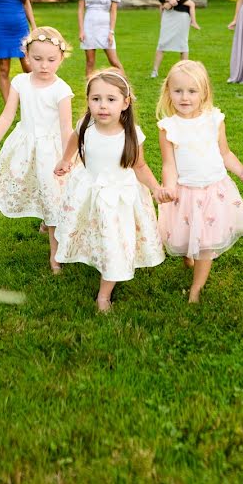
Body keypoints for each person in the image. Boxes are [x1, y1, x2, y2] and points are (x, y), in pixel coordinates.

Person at [53, 69, 166, 312]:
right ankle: (92, 254)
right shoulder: (86, 124)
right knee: (92, 231)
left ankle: (104, 294)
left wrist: (156, 188)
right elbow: (75, 139)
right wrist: (66, 160)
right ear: (88, 101)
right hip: (90, 190)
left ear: (125, 103)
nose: (103, 106)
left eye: (111, 100)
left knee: (114, 242)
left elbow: (140, 165)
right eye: (96, 99)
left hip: (119, 198)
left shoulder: (131, 133)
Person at [155, 61, 243, 303]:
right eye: (178, 91)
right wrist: (169, 187)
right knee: (183, 233)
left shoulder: (214, 119)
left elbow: (225, 153)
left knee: (206, 243)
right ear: (168, 92)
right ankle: (187, 257)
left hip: (213, 190)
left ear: (204, 93)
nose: (185, 97)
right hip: (184, 190)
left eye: (192, 91)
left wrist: (242, 171)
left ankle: (196, 289)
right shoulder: (168, 127)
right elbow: (169, 164)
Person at [0, 27, 74, 274]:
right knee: (36, 186)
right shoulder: (20, 82)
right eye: (37, 59)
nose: (44, 65)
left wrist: (67, 157)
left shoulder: (61, 90)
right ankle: (46, 218)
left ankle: (55, 254)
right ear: (27, 56)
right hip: (25, 145)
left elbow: (66, 128)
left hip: (51, 150)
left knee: (53, 195)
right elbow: (8, 113)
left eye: (51, 60)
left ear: (61, 58)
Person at [76, 0, 125, 79]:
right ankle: (89, 94)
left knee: (114, 61)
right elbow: (81, 9)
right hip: (89, 27)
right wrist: (81, 30)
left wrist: (111, 32)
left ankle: (126, 90)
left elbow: (113, 12)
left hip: (105, 27)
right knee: (90, 62)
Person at [150, 0, 196, 78]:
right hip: (169, 14)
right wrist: (166, 0)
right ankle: (154, 70)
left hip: (182, 14)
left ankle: (184, 71)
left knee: (183, 43)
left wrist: (173, 2)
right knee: (162, 41)